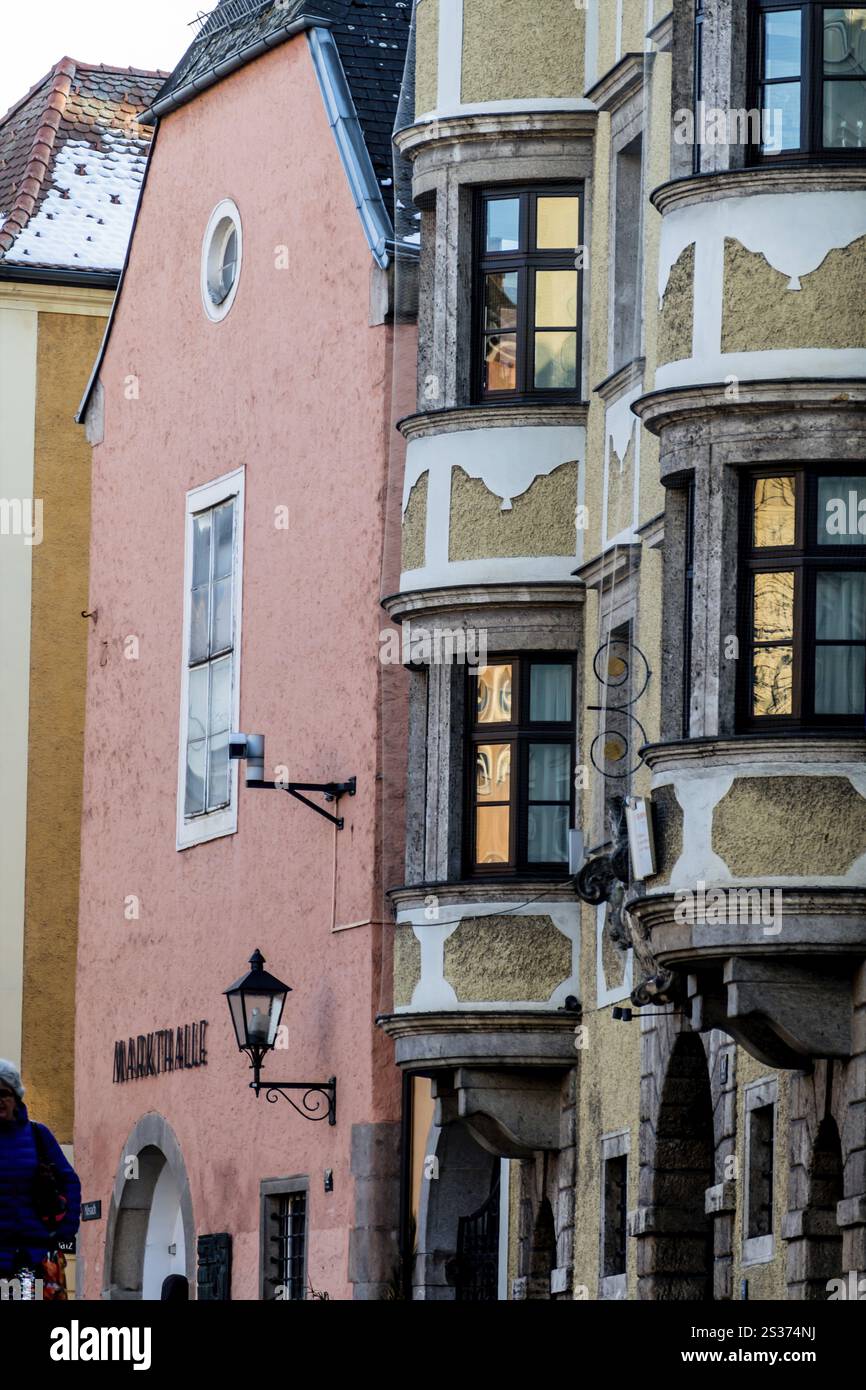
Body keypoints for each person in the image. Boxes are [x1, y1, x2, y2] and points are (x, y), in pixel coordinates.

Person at [0, 1060, 81, 1297]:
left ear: (16, 1097)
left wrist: (65, 1231)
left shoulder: (38, 1135)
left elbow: (70, 1181)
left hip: (33, 1256)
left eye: (4, 1093)